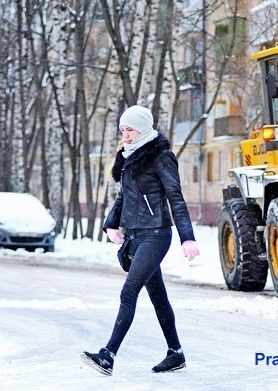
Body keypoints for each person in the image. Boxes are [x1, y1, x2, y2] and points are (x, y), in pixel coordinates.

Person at [81, 105, 200, 375]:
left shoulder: (161, 157)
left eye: (130, 129)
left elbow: (176, 198)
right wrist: (111, 223)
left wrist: (187, 237)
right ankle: (176, 353)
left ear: (143, 128)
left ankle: (108, 355)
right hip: (135, 235)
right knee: (158, 297)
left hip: (156, 234)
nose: (126, 135)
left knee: (128, 292)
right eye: (123, 130)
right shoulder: (127, 158)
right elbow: (123, 197)